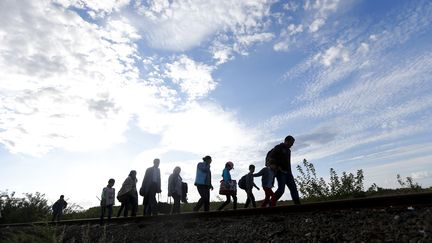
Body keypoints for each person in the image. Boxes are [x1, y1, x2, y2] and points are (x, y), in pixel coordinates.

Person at [267, 135, 300, 205]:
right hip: (280, 172)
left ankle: (298, 205)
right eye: (291, 143)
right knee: (281, 190)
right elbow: (270, 157)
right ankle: (271, 203)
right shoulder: (278, 147)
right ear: (286, 141)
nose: (292, 145)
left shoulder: (288, 151)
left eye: (292, 144)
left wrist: (290, 173)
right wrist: (274, 166)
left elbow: (288, 163)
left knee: (293, 188)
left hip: (288, 173)